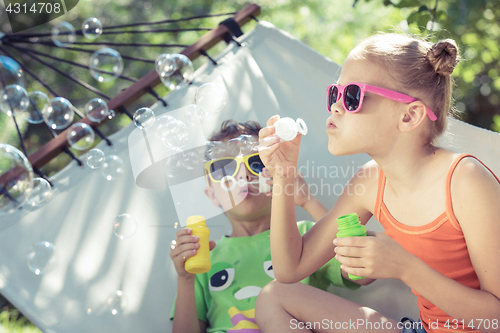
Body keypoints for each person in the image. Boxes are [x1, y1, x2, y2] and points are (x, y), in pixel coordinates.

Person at [255, 33, 500, 333]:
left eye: (353, 95)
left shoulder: (466, 181)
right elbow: (290, 268)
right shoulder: (371, 182)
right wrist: (284, 175)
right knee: (275, 296)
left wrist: (405, 268)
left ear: (409, 116)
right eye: (335, 93)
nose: (334, 106)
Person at [169, 120, 362, 333]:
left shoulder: (305, 235)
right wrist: (185, 279)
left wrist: (308, 200)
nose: (244, 175)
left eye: (256, 163)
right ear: (212, 195)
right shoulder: (203, 258)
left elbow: (361, 271)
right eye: (225, 168)